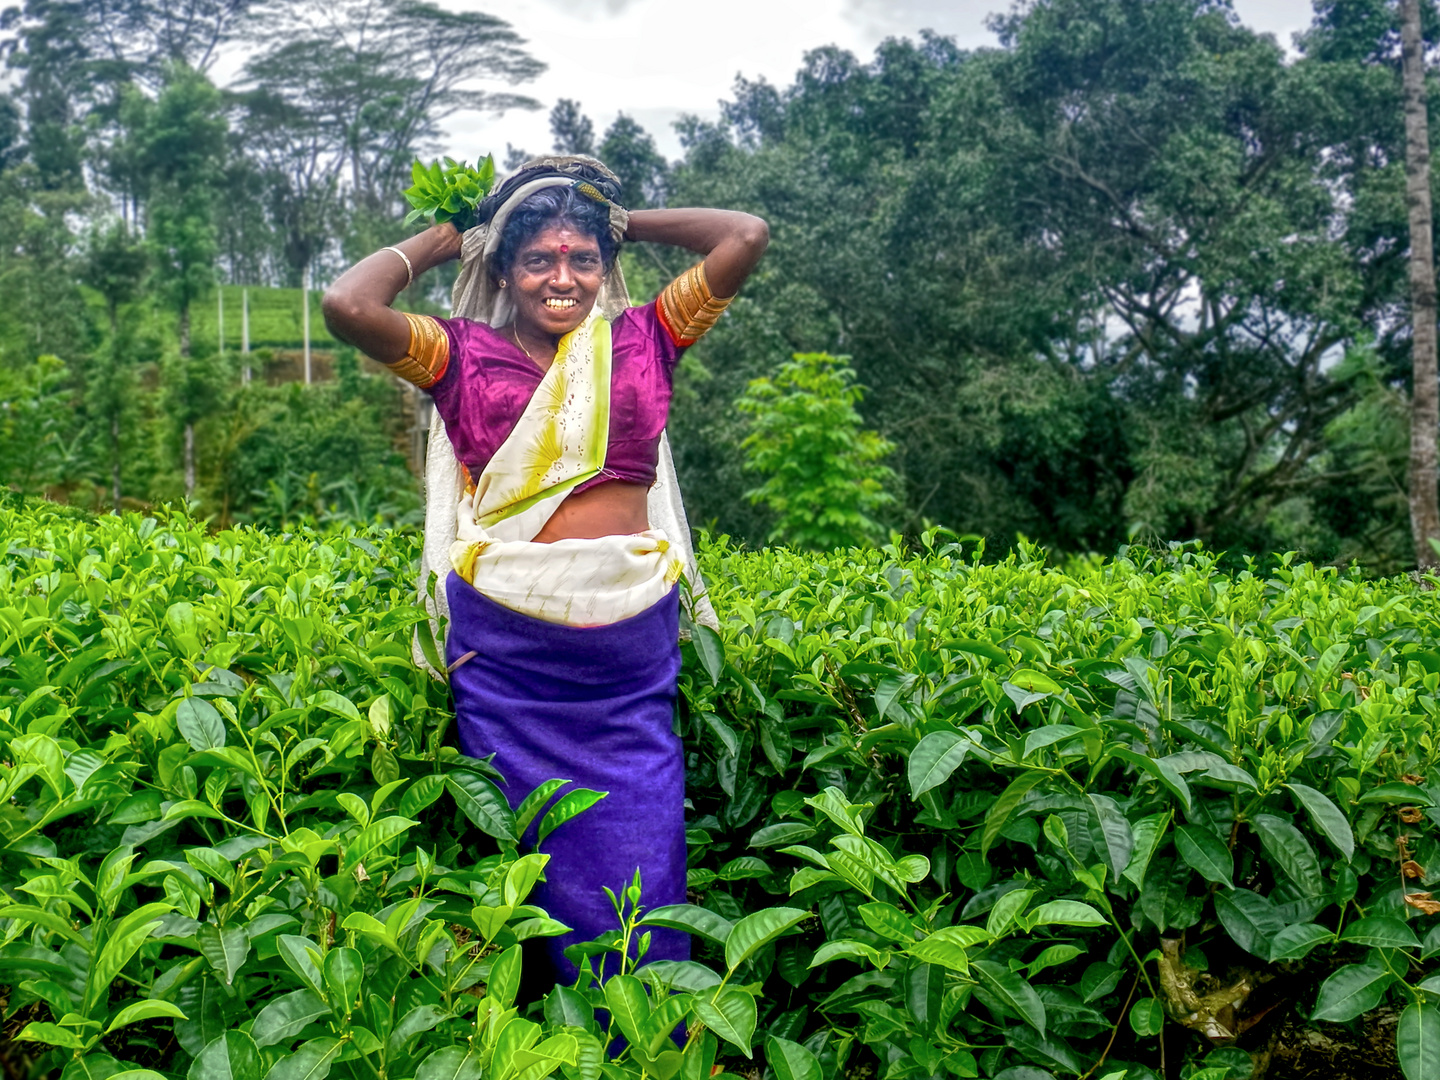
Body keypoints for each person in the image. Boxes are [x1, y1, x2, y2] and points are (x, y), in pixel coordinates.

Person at [322, 156, 768, 984]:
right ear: (505, 269)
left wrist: (623, 215)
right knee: (536, 873)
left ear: (607, 268)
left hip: (626, 656)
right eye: (539, 259)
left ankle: (642, 1044)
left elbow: (745, 235)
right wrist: (454, 231)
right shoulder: (457, 356)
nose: (563, 278)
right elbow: (348, 305)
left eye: (584, 258)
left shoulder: (647, 338)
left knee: (645, 862)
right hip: (512, 662)